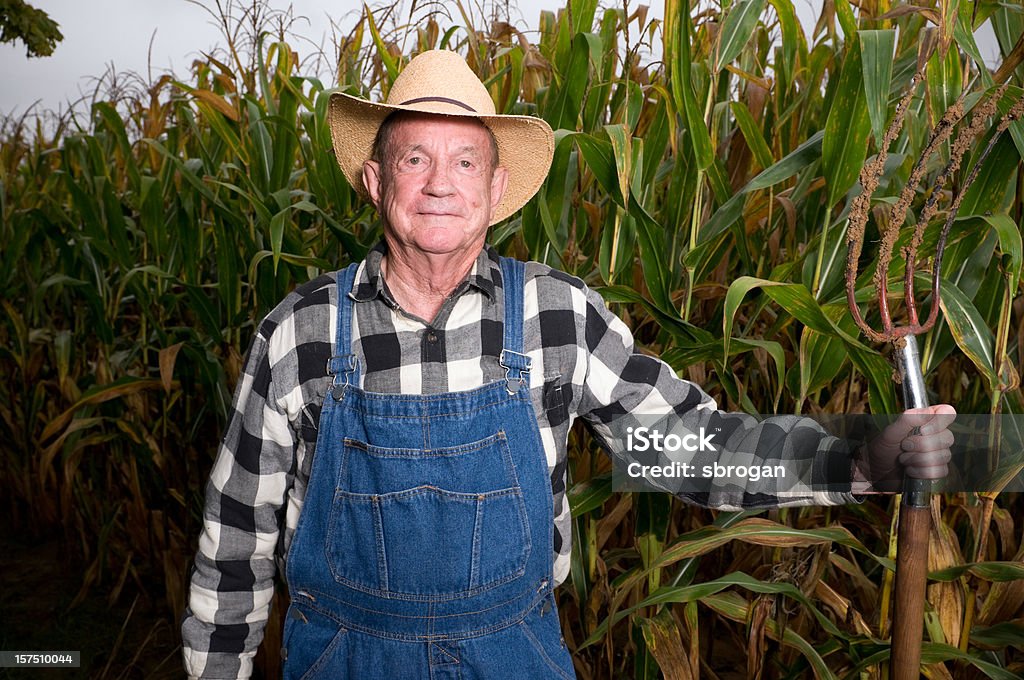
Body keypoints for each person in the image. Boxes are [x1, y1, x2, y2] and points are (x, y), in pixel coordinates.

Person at [181, 50, 954, 679]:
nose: (441, 183)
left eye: (465, 161)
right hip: (345, 661)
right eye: (414, 157)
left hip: (512, 659)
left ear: (498, 188)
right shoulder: (302, 331)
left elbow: (688, 446)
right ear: (376, 181)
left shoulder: (556, 315)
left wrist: (855, 458)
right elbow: (236, 536)